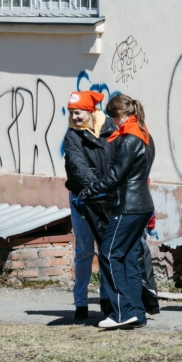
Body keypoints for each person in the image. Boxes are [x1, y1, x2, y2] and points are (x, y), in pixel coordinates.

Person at [76, 94, 155, 329]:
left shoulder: (129, 138)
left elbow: (113, 177)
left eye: (112, 118)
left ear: (120, 115)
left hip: (128, 207)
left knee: (109, 253)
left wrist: (87, 192)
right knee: (128, 256)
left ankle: (122, 311)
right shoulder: (144, 134)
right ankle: (136, 313)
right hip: (141, 205)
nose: (111, 123)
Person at [63, 90, 116, 320]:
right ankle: (81, 303)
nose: (75, 117)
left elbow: (119, 161)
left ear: (91, 111)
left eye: (79, 113)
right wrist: (98, 188)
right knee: (84, 250)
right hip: (82, 199)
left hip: (107, 199)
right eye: (72, 113)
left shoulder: (111, 129)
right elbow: (78, 167)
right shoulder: (72, 136)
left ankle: (106, 298)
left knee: (106, 249)